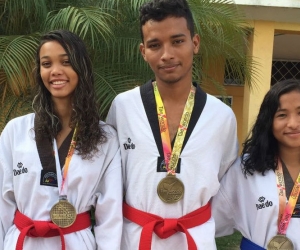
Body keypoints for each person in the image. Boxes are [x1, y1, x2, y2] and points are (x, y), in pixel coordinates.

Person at [106, 0, 239, 249]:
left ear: (195, 43)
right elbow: (111, 179)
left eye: (177, 41)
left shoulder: (221, 117)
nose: (167, 54)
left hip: (194, 239)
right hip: (136, 239)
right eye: (155, 45)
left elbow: (225, 187)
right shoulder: (123, 107)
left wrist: (200, 224)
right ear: (143, 51)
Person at [0, 30, 123, 250]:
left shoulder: (106, 139)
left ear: (81, 68)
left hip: (75, 242)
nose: (55, 71)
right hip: (21, 242)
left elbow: (110, 216)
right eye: (46, 64)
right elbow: (2, 204)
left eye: (66, 62)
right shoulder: (15, 131)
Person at [212, 79, 300, 250]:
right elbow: (216, 218)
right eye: (282, 115)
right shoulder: (247, 168)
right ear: (269, 121)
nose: (293, 123)